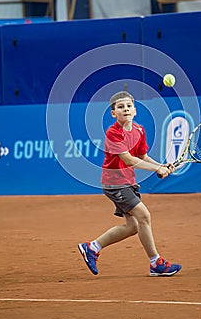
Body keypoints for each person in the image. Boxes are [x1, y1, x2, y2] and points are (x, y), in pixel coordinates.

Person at [78, 90, 182, 277]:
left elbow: (142, 156)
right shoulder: (112, 133)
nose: (125, 109)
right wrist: (157, 170)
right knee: (144, 216)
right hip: (114, 183)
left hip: (129, 182)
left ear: (135, 111)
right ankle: (155, 263)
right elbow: (129, 160)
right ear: (113, 113)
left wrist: (161, 165)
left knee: (133, 227)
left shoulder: (139, 130)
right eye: (120, 107)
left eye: (128, 106)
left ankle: (92, 247)